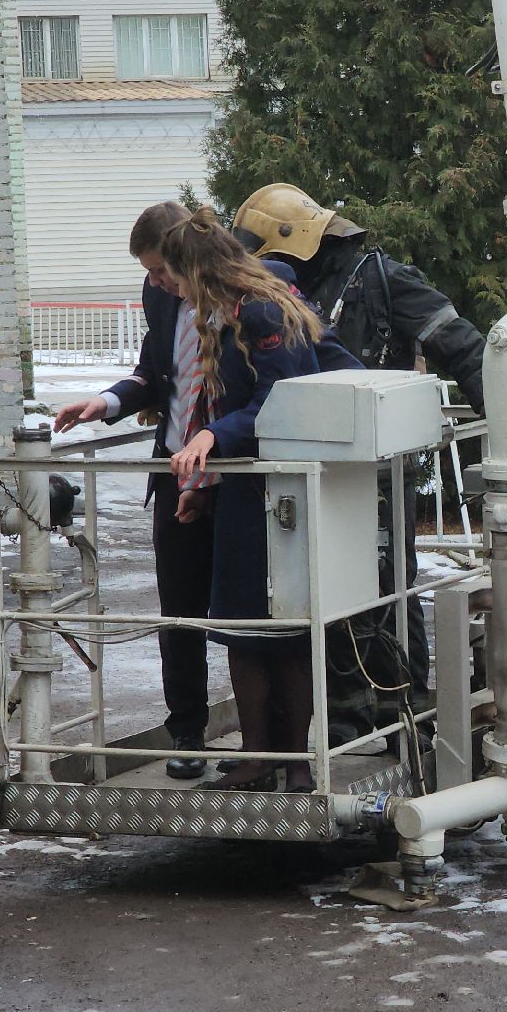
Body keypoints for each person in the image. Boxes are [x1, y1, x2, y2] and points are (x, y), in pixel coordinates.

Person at [232, 184, 488, 741]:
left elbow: (465, 348)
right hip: (313, 464)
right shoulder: (286, 289)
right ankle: (346, 721)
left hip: (379, 465)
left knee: (388, 587)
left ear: (295, 239)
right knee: (323, 591)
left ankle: (404, 716)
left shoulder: (384, 280)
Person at [156, 207, 336, 793]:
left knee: (267, 630)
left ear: (196, 271)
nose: (172, 290)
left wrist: (212, 437)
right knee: (257, 630)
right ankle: (273, 757)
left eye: (174, 277)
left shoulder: (258, 310)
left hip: (270, 489)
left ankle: (280, 759)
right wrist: (202, 490)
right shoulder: (242, 306)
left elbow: (278, 395)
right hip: (246, 489)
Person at [52, 202, 215, 780]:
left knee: (251, 613)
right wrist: (107, 402)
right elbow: (154, 373)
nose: (156, 282)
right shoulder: (159, 296)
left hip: (236, 472)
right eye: (148, 273)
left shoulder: (237, 294)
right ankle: (187, 731)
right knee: (179, 611)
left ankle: (271, 737)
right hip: (175, 471)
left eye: (160, 270)